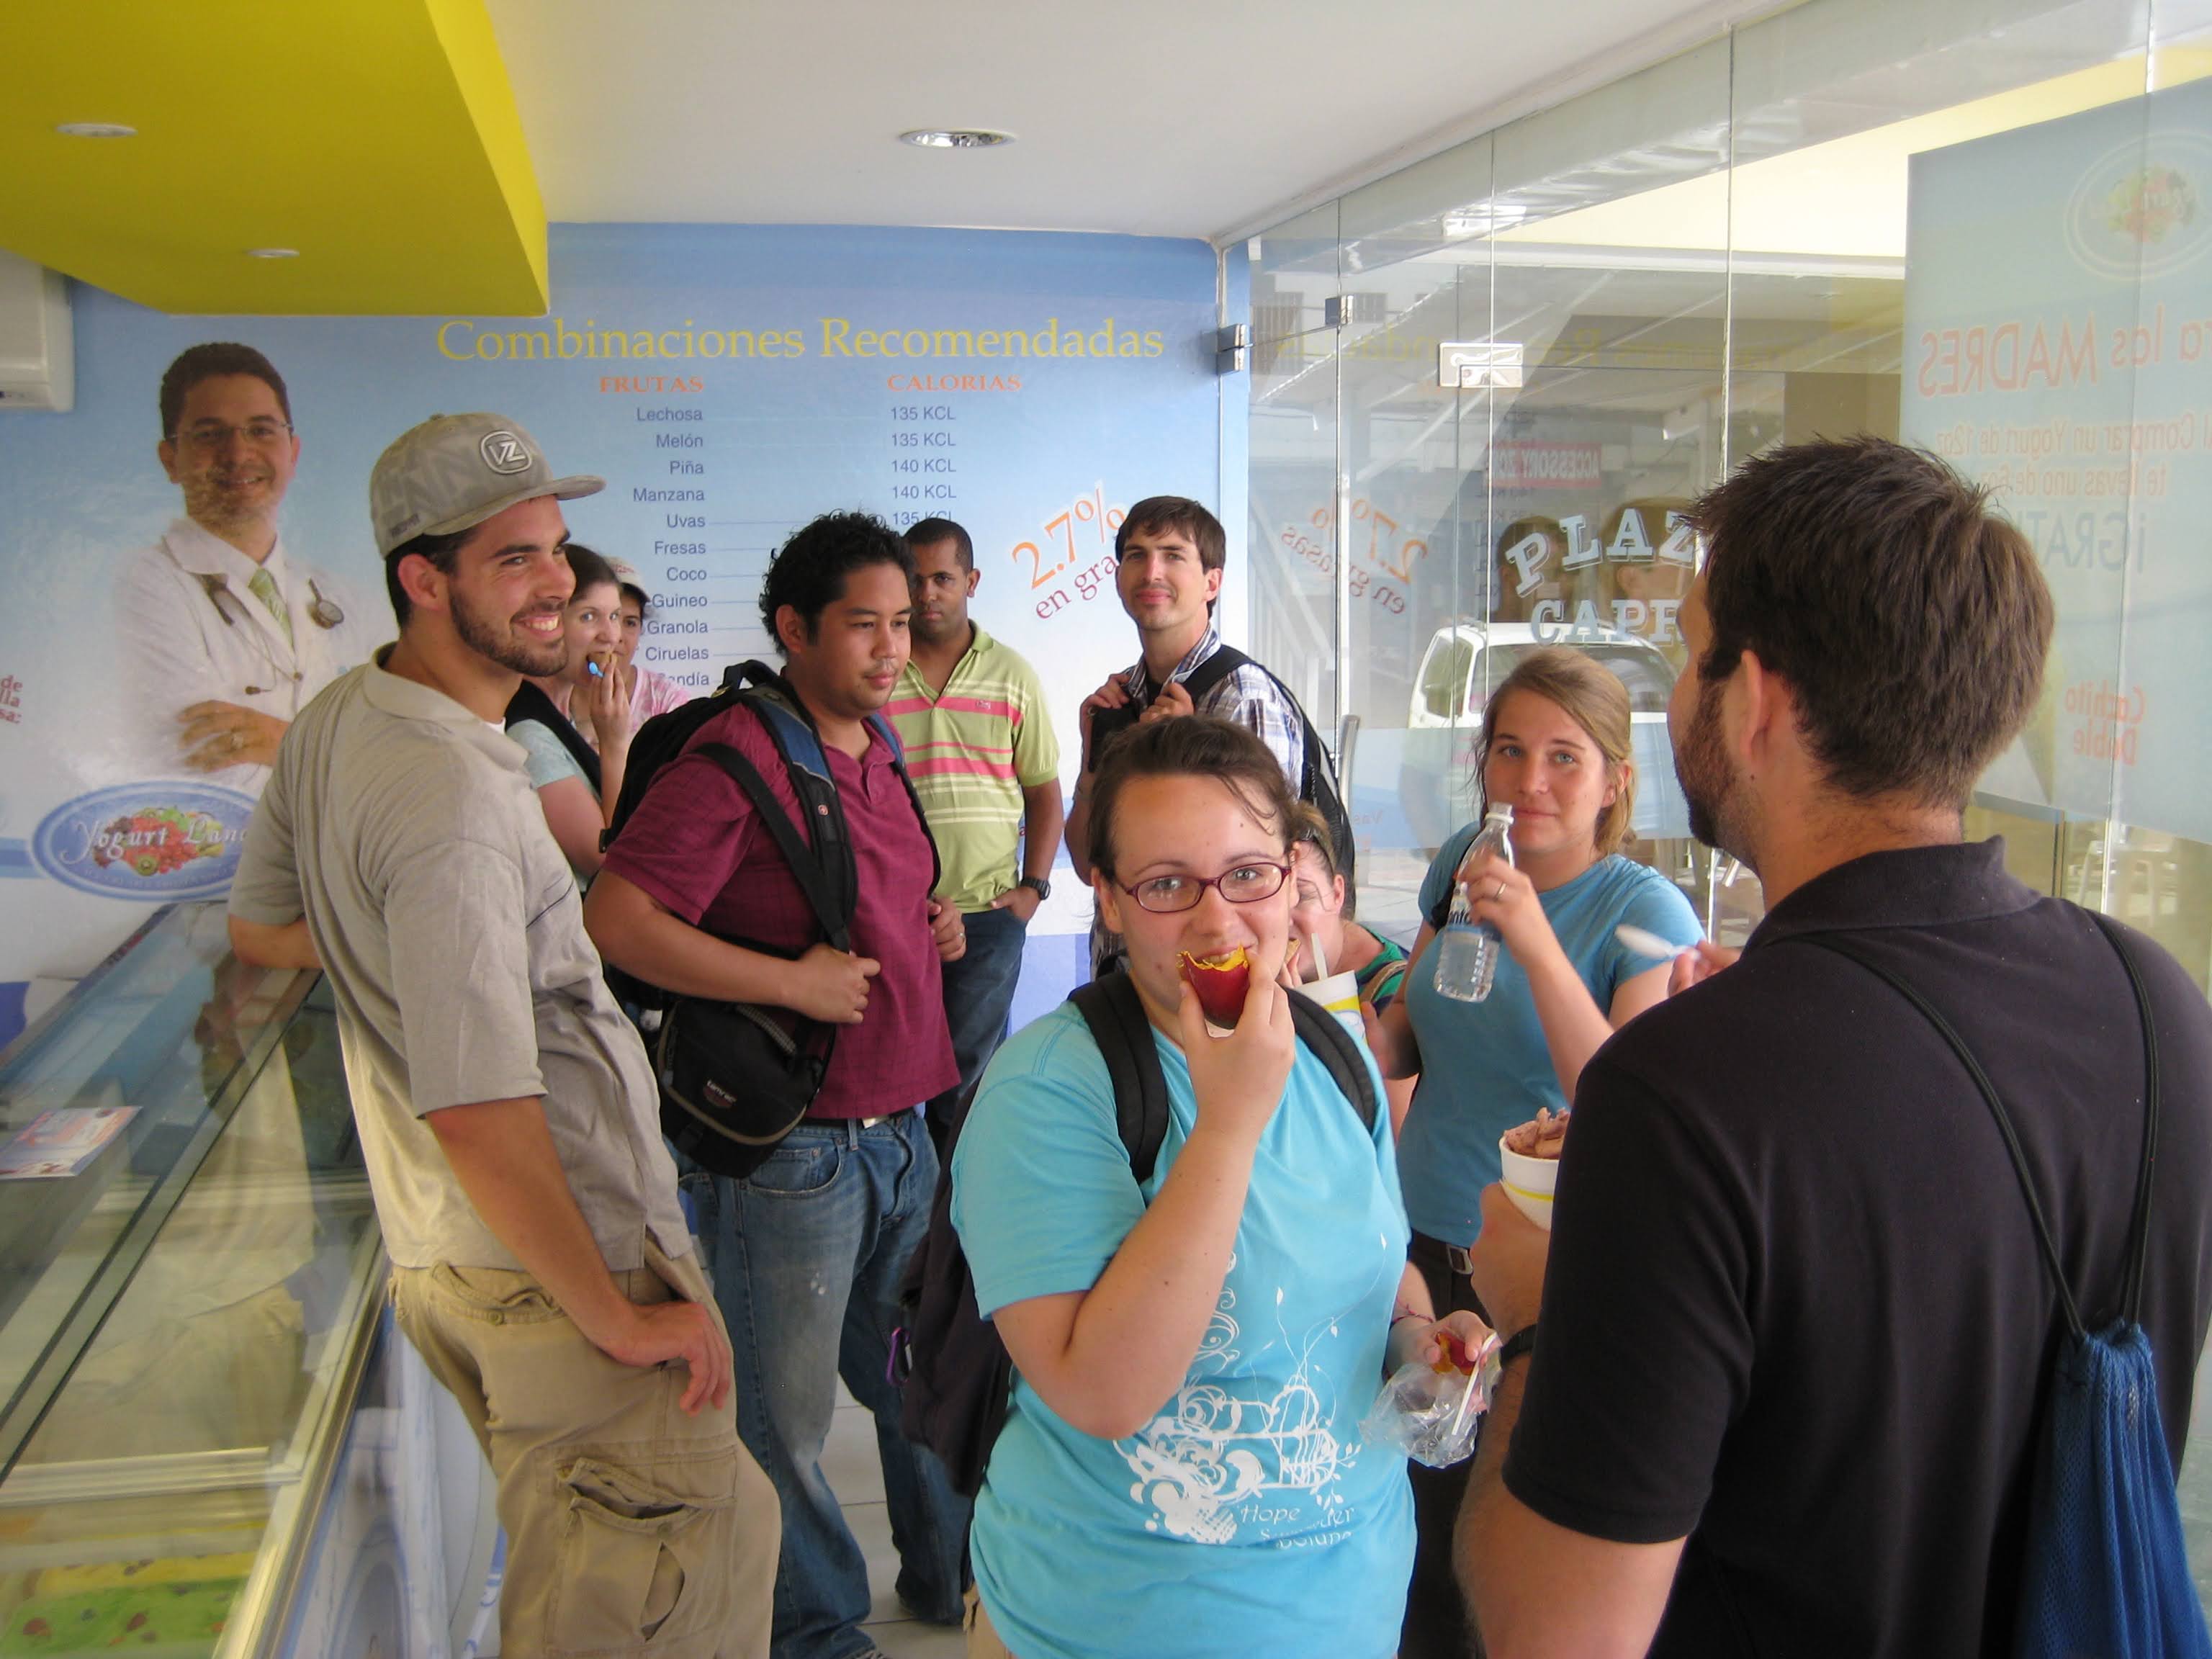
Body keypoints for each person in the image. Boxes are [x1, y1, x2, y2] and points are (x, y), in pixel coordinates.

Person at [1456, 437, 2212, 1658]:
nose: (1678, 697)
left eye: (1693, 655)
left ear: (1755, 702)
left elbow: (1553, 1634)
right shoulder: (2156, 1003)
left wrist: (1538, 1316)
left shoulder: (1685, 1089)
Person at [225, 410, 775, 1658]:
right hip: (558, 1258)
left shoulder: (339, 718)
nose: (558, 585)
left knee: (643, 1548)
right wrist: (615, 1316)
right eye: (513, 559)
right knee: (657, 1591)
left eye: (558, 550)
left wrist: (417, 959)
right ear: (424, 581)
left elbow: (262, 928)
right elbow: (477, 1102)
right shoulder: (452, 796)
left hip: (450, 1251)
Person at [951, 715, 1480, 1659]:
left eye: (1247, 874)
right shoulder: (1048, 1089)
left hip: (1351, 1615)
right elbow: (1104, 1392)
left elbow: (1380, 1268)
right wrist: (1229, 1125)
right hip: (1108, 1629)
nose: (1217, 920)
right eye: (1166, 884)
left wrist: (1420, 1346)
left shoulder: (1333, 1051)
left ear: (1293, 876)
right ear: (1109, 901)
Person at [583, 511, 971, 1659]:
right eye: (864, 625)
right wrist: (789, 984)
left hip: (903, 1129)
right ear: (794, 629)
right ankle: (816, 1634)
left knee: (919, 1381)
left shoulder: (875, 741)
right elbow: (617, 918)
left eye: (901, 622)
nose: (893, 647)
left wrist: (930, 922)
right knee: (785, 1422)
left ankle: (947, 1582)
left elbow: (856, 890)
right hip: (795, 1153)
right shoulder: (739, 757)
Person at [1366, 644, 1700, 1659]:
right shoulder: (1462, 863)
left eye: (1564, 757)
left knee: (1493, 1548)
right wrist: (1326, 1009)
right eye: (1510, 751)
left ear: (1615, 781)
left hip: (1535, 1276)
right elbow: (1410, 1036)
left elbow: (1626, 1104)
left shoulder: (1644, 913)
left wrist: (1537, 940)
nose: (1530, 780)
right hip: (1412, 1252)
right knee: (1400, 1530)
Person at [1064, 495, 1311, 975]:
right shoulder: (1122, 699)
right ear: (1118, 577)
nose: (1151, 572)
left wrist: (1184, 749)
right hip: (1124, 976)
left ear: (1212, 582)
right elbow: (1087, 865)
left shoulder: (1244, 696)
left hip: (1215, 971)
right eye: (1136, 555)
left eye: (1173, 556)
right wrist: (1094, 766)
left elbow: (1258, 869)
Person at [117, 342, 379, 783]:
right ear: (170, 459)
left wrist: (281, 742)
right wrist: (343, 757)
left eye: (260, 430)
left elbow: (402, 751)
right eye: (209, 435)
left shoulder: (345, 598)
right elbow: (202, 756)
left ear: (292, 452)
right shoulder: (145, 584)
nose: (238, 455)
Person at [886, 516, 1064, 1157]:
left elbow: (1044, 792)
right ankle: (910, 1206)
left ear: (972, 582)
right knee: (891, 1079)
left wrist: (1033, 889)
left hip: (989, 916)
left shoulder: (1013, 675)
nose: (927, 593)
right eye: (915, 579)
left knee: (964, 1088)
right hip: (894, 916)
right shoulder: (879, 672)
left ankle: (958, 1211)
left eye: (942, 578)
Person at [504, 542, 634, 878]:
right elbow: (608, 863)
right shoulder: (528, 734)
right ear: (548, 622)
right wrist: (615, 744)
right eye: (588, 616)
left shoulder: (563, 716)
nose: (611, 637)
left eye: (615, 616)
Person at [1284, 804, 1414, 1131]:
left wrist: (1301, 1023)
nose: (1283, 918)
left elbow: (1393, 1140)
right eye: (1270, 897)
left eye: (1302, 895)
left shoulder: (1390, 994)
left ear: (1337, 893)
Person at [603, 555, 698, 731]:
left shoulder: (668, 701)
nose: (616, 636)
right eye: (611, 617)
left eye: (630, 622)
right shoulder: (555, 695)